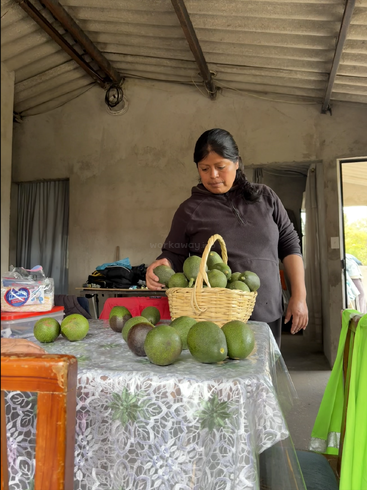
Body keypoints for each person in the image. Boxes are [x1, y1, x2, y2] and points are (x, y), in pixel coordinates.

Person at [146, 128, 308, 346]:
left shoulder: (265, 197)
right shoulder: (190, 210)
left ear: (237, 163)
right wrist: (161, 265)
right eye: (205, 169)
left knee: (264, 377)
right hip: (214, 321)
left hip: (267, 313)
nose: (213, 175)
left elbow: (290, 245)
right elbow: (173, 254)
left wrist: (299, 297)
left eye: (220, 167)